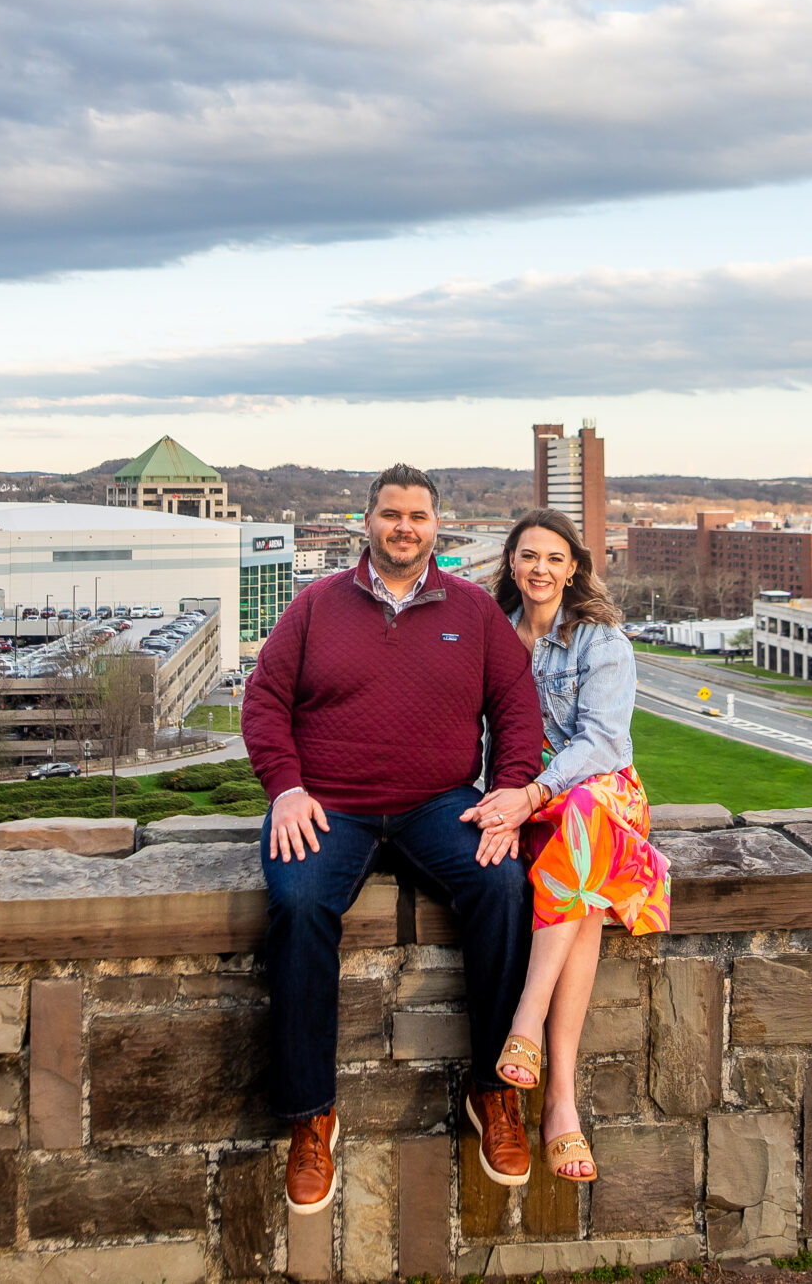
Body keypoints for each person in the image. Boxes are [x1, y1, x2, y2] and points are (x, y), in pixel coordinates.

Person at [245, 463, 545, 1215]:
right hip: (330, 806)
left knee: (503, 884)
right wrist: (284, 786)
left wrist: (509, 792)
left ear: (436, 525)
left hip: (436, 803)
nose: (403, 527)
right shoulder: (315, 605)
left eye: (417, 515)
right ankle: (311, 1116)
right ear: (367, 521)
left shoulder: (473, 611)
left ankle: (494, 1093)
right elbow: (265, 700)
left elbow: (517, 708)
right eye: (390, 514)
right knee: (300, 899)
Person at [470, 510, 667, 1184]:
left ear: (574, 567)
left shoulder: (598, 637)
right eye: (529, 556)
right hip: (541, 808)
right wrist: (498, 798)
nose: (541, 569)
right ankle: (560, 1104)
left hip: (599, 792)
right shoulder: (494, 634)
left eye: (554, 558)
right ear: (512, 563)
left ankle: (526, 1021)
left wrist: (531, 794)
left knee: (583, 817)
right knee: (579, 894)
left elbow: (604, 744)